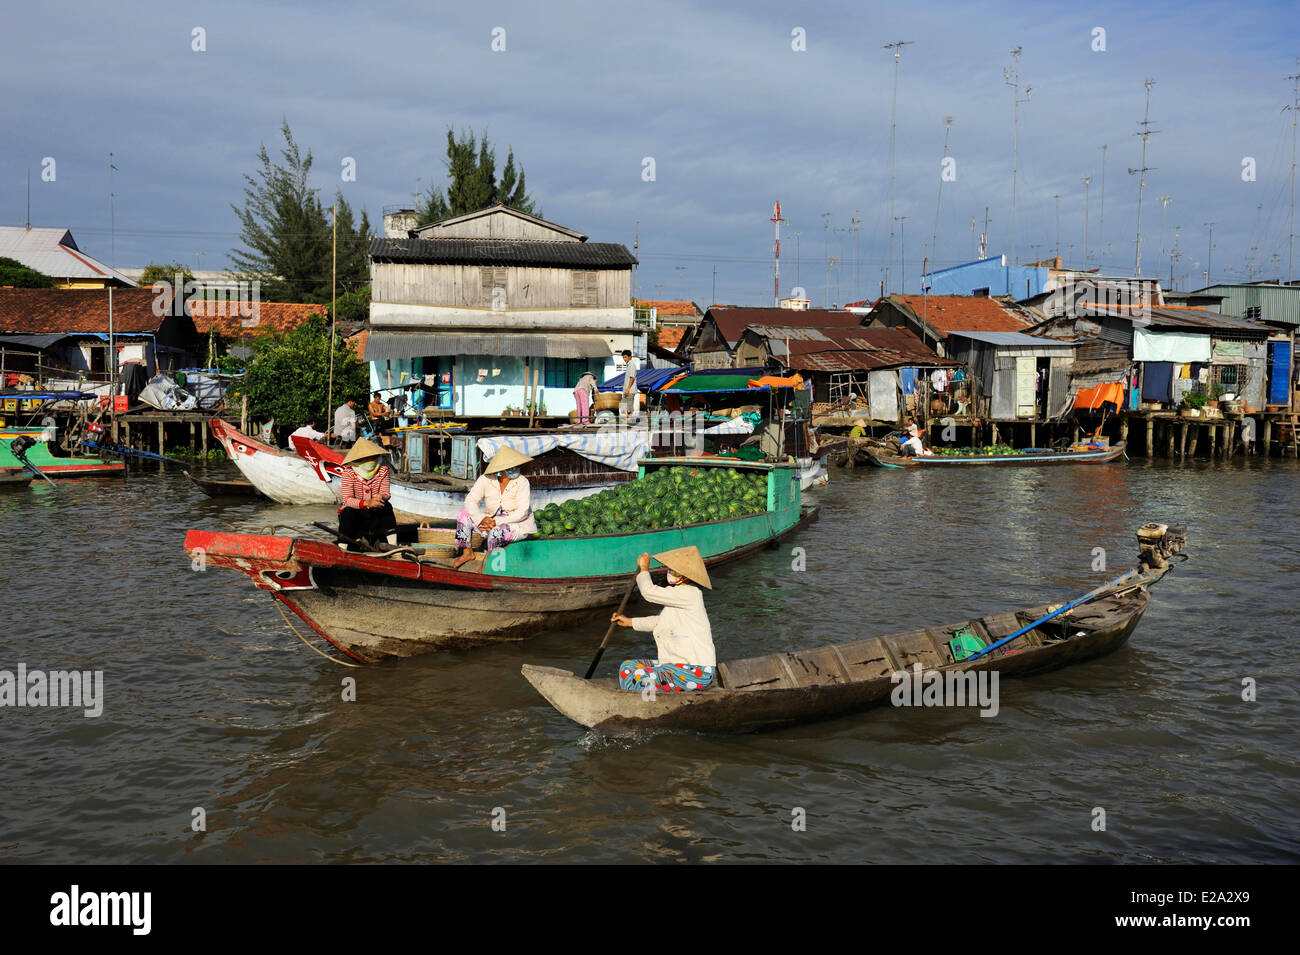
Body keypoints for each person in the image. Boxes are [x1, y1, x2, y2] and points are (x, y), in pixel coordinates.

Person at [610, 547, 716, 693]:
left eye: (673, 570)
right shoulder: (678, 596)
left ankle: (645, 704)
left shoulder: (690, 594)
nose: (669, 572)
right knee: (628, 667)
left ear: (685, 575)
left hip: (696, 669)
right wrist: (630, 622)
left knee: (641, 676)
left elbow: (648, 592)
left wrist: (644, 569)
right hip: (675, 664)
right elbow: (660, 621)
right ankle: (639, 700)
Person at [451, 447, 536, 570]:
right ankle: (467, 553)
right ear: (501, 470)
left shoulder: (522, 482)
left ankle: (489, 564)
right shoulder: (485, 479)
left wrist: (496, 522)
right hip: (489, 521)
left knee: (496, 532)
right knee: (463, 514)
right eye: (511, 467)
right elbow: (470, 500)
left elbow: (522, 512)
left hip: (517, 525)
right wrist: (482, 518)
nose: (516, 469)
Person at [337, 438, 396, 550]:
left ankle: (393, 546)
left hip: (375, 514)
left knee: (386, 506)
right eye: (365, 458)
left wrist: (380, 497)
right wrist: (366, 503)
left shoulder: (383, 470)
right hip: (356, 515)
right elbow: (347, 500)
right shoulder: (348, 473)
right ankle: (342, 548)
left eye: (372, 457)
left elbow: (386, 492)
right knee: (347, 512)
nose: (370, 460)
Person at [619, 349, 641, 418]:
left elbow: (632, 378)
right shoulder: (628, 365)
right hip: (626, 390)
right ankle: (627, 419)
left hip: (630, 390)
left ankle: (630, 420)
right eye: (623, 357)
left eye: (625, 357)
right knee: (623, 405)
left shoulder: (631, 364)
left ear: (629, 357)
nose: (624, 359)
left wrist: (628, 389)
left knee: (629, 407)